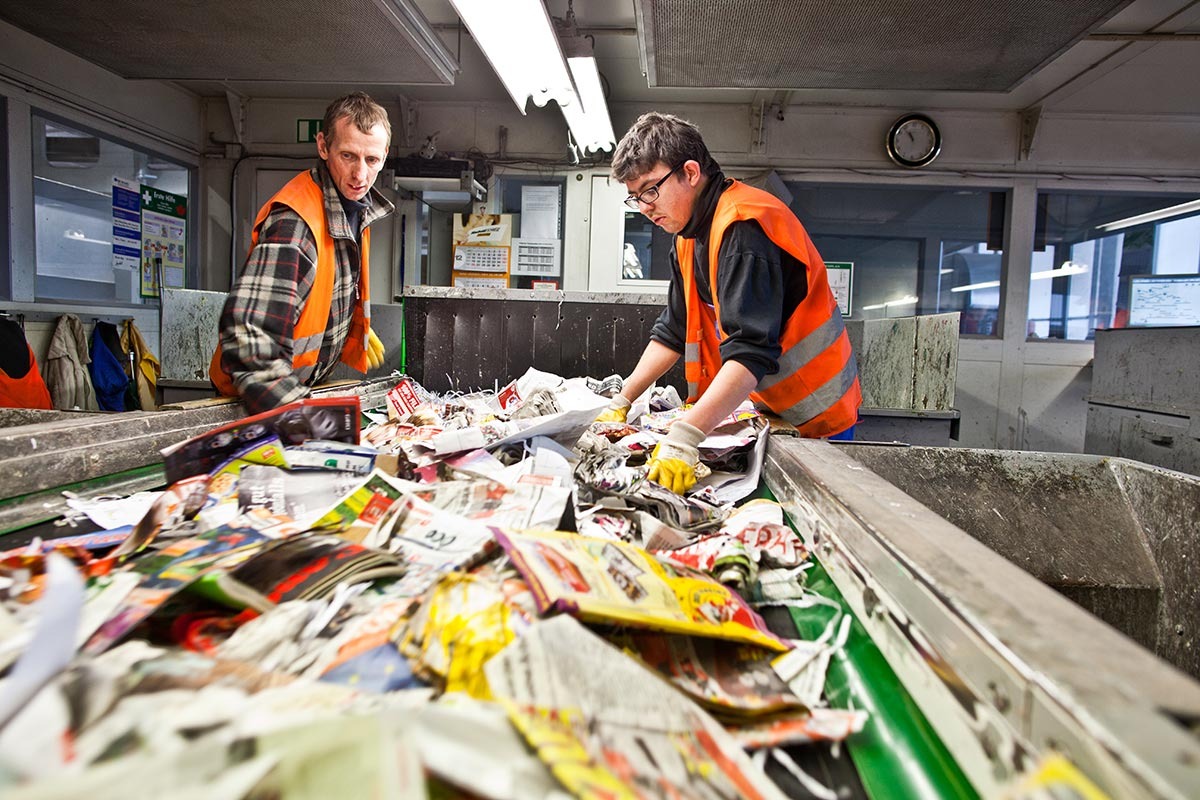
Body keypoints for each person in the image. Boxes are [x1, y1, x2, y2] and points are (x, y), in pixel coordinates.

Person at [600, 112, 861, 494]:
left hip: (820, 415)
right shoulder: (687, 237)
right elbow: (673, 330)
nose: (644, 207)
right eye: (634, 197)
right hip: (773, 410)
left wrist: (685, 437)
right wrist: (622, 399)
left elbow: (750, 351)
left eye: (650, 191)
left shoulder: (744, 227)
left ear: (690, 172)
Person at [210, 92, 393, 413]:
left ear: (385, 155)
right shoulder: (296, 223)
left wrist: (348, 317)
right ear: (323, 146)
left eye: (371, 160)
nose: (360, 175)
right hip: (251, 402)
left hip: (297, 389)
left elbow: (318, 288)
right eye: (348, 156)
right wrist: (301, 420)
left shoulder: (356, 212)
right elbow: (249, 338)